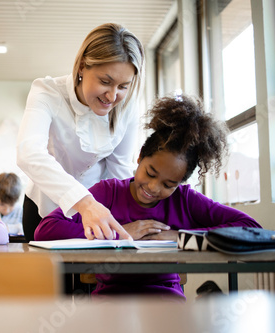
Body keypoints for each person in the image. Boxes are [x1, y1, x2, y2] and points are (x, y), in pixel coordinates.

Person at [34, 94, 262, 299]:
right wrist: (117, 233)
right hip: (111, 295)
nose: (153, 187)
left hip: (165, 295)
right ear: (140, 156)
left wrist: (180, 237)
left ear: (181, 182)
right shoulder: (108, 192)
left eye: (169, 184)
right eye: (150, 173)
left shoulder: (185, 200)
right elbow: (45, 229)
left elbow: (251, 228)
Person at [17, 23, 145, 242]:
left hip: (100, 211)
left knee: (94, 276)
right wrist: (85, 203)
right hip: (45, 207)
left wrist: (131, 216)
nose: (113, 96)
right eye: (106, 82)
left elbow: (119, 169)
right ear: (83, 66)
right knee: (54, 276)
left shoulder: (129, 105)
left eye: (123, 86)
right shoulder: (47, 92)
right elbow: (29, 153)